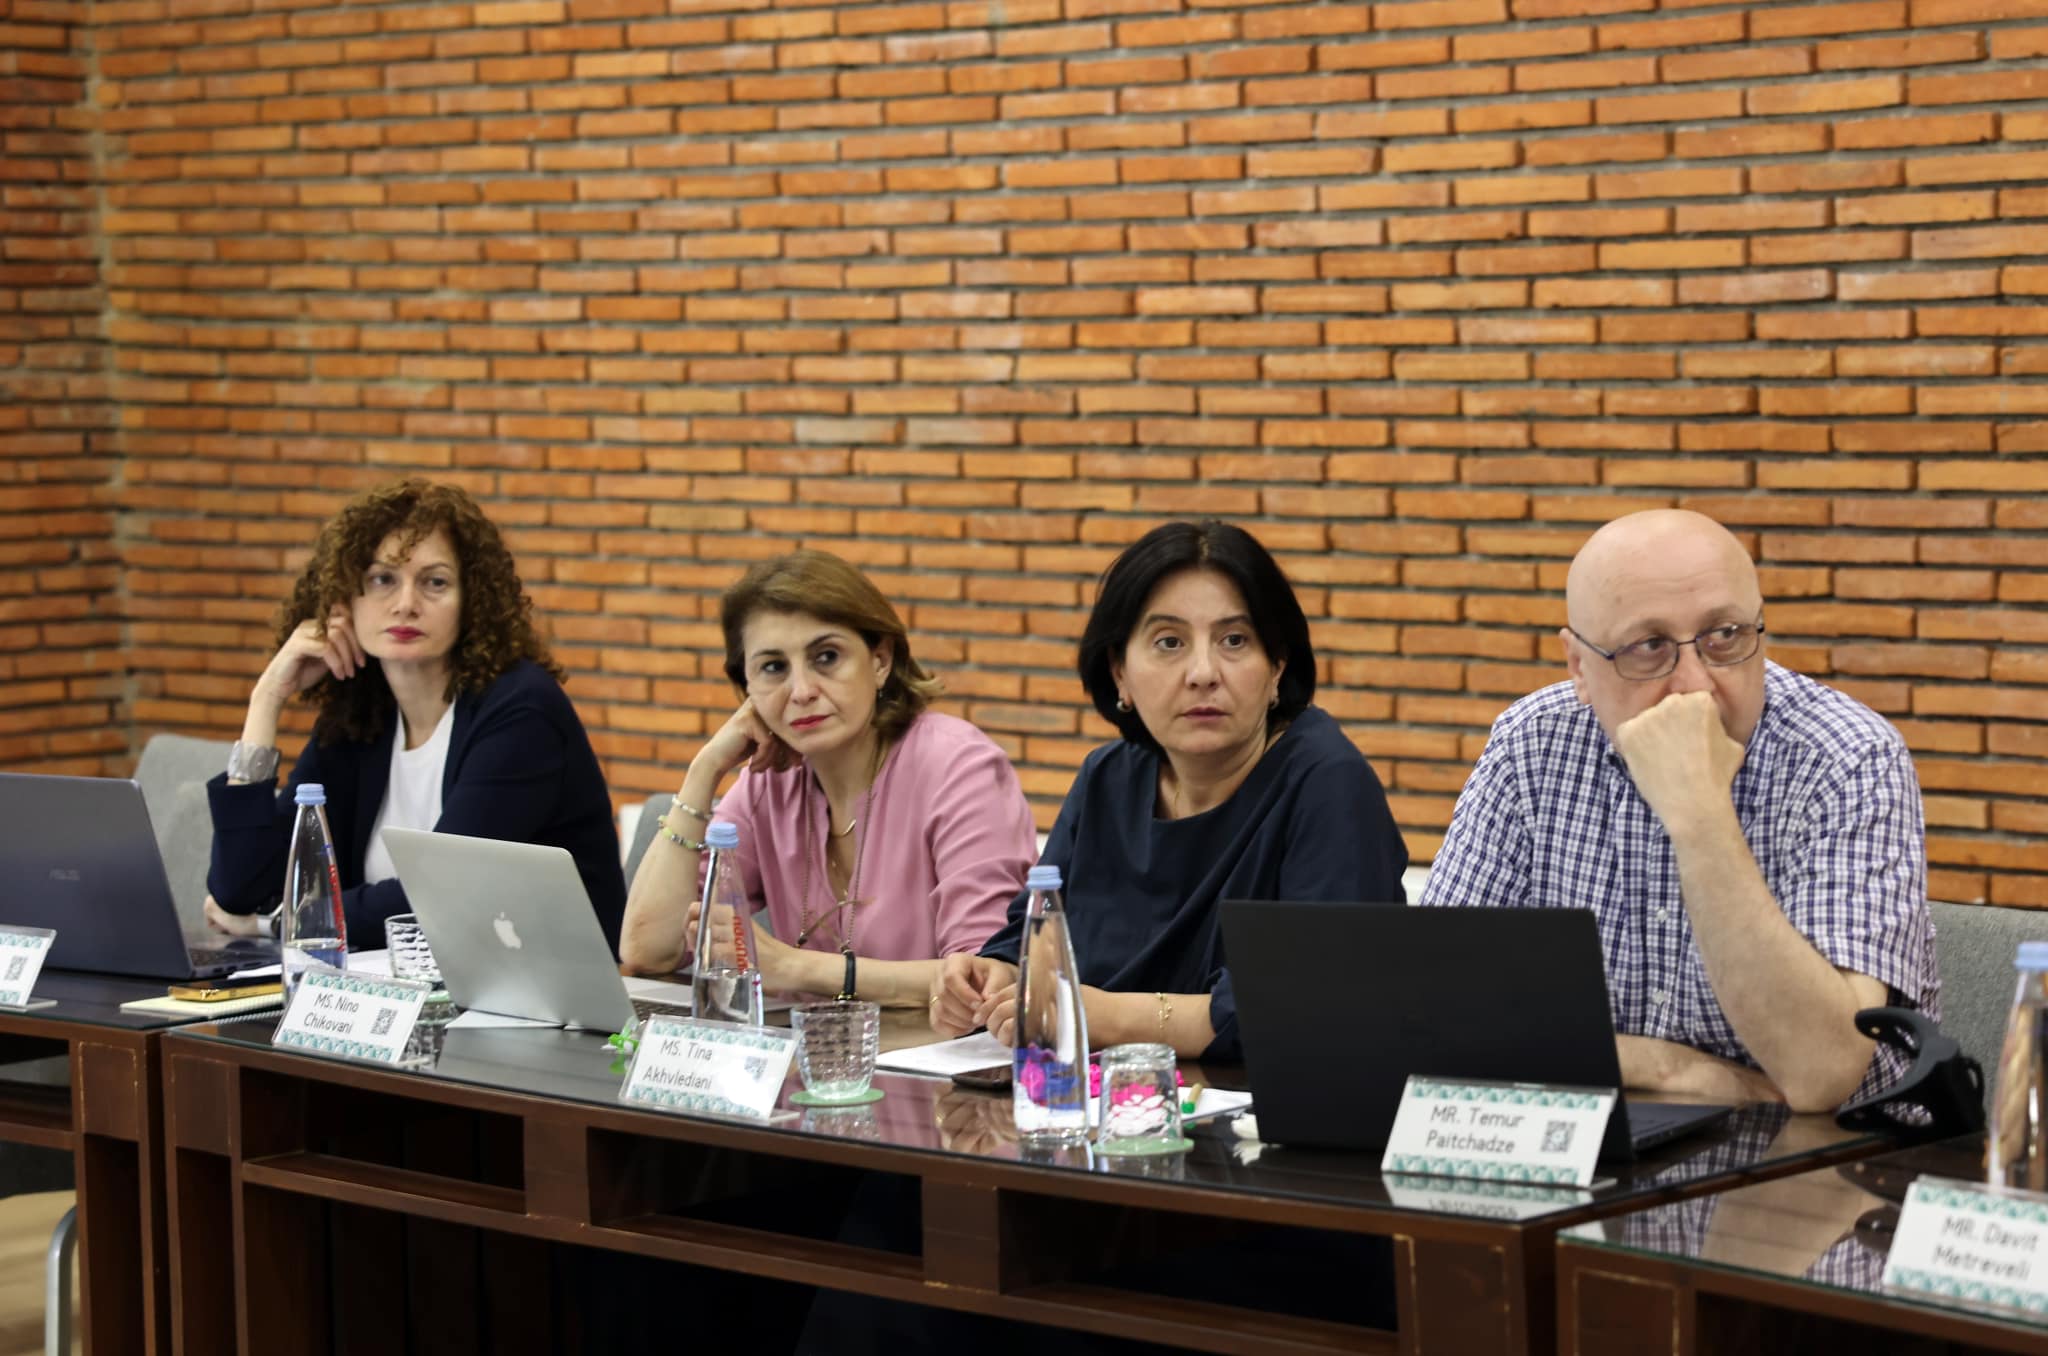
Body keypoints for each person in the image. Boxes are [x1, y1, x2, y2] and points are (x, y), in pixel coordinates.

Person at [1420, 508, 1937, 1112]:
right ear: (1579, 666)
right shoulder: (1533, 742)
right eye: (1649, 646)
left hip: (1829, 1157)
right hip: (1596, 1144)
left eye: (1725, 636)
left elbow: (1820, 1074)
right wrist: (1673, 1070)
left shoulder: (1848, 756)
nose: (1695, 684)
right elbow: (1432, 1013)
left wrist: (1699, 812)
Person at [931, 520, 1410, 1060]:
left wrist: (1112, 1017)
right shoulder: (1106, 778)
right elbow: (1035, 934)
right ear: (1119, 673)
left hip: (1263, 1103)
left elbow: (1317, 1003)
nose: (1203, 672)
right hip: (1100, 1094)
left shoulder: (1327, 782)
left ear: (1277, 666)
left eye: (1234, 640)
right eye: (1169, 642)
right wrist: (993, 975)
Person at [203, 480, 626, 953]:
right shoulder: (362, 716)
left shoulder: (521, 712)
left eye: (434, 582)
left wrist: (278, 923)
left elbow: (436, 895)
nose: (405, 603)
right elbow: (240, 887)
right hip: (401, 982)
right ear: (344, 600)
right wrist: (267, 697)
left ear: (472, 602)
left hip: (545, 984)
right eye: (382, 579)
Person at [621, 549, 1037, 1003]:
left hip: (935, 1046)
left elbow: (985, 978)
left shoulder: (959, 767)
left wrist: (795, 968)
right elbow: (648, 951)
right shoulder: (768, 782)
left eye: (827, 657)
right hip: (809, 1045)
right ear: (748, 689)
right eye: (773, 668)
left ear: (880, 660)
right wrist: (705, 769)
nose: (801, 691)